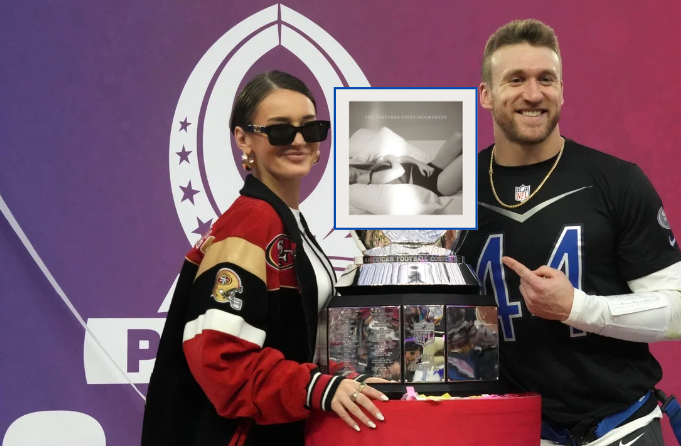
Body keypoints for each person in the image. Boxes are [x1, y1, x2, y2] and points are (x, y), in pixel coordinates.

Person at [454, 20, 681, 446]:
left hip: (620, 427)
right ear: (486, 95)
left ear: (562, 90)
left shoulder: (617, 181)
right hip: (514, 429)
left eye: (546, 79)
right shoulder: (452, 193)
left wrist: (578, 307)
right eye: (516, 79)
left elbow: (680, 312)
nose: (533, 94)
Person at [142, 70, 387, 446]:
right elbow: (221, 358)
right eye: (279, 130)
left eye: (311, 128)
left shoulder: (283, 219)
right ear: (243, 138)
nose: (299, 140)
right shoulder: (251, 223)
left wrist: (340, 381)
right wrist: (314, 387)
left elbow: (296, 342)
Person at [348, 130, 464, 196]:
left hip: (430, 167)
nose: (348, 176)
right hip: (435, 184)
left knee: (459, 135)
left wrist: (419, 164)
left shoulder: (373, 166)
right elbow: (398, 171)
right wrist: (391, 158)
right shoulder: (361, 179)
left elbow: (402, 159)